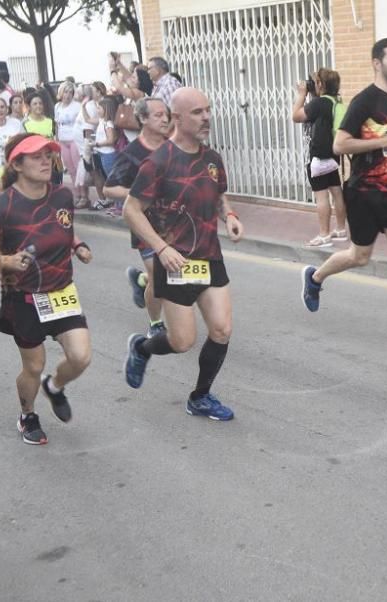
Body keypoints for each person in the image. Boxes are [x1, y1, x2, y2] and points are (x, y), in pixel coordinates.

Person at [301, 38, 387, 344]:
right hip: (364, 191)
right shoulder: (364, 101)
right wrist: (385, 142)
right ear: (377, 63)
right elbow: (340, 144)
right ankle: (315, 277)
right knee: (359, 256)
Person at [122, 87, 244, 422]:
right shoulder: (158, 162)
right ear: (177, 118)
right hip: (174, 263)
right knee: (182, 341)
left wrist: (229, 217)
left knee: (221, 330)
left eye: (208, 110)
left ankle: (200, 397)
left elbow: (219, 197)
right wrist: (161, 248)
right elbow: (131, 210)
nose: (206, 117)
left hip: (209, 257)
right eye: (197, 112)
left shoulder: (212, 159)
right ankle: (142, 348)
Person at [0, 133, 92, 445]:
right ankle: (27, 414)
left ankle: (55, 386)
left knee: (81, 357)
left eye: (49, 154)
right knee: (33, 365)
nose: (46, 161)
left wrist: (78, 244)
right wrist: (6, 260)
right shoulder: (0, 209)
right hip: (25, 298)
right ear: (16, 164)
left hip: (62, 292)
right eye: (36, 156)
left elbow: (63, 230)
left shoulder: (62, 196)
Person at [103, 97, 170, 338]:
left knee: (177, 275)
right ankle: (155, 323)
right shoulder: (132, 154)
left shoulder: (174, 146)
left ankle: (141, 281)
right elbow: (109, 189)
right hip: (145, 224)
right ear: (142, 119)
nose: (165, 119)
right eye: (158, 115)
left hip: (176, 224)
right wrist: (140, 194)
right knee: (160, 277)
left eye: (166, 114)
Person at [292, 68, 348, 248]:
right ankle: (340, 230)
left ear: (321, 85)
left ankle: (324, 235)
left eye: (316, 81)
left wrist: (301, 94)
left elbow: (296, 116)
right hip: (332, 155)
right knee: (336, 191)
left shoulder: (320, 103)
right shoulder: (335, 101)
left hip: (319, 157)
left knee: (321, 196)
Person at [54, 82, 82, 189]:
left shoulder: (77, 106)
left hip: (74, 140)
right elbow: (57, 125)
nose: (68, 95)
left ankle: (84, 195)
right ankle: (77, 194)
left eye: (71, 92)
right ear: (61, 93)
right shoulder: (57, 106)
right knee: (70, 170)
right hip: (62, 140)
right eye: (66, 92)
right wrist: (57, 140)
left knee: (78, 168)